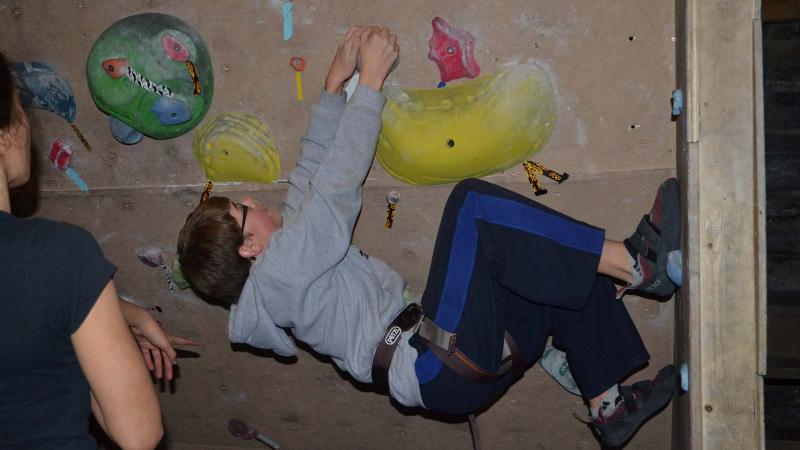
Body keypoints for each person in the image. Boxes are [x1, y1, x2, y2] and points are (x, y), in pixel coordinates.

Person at [176, 26, 679, 448]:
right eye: (245, 210)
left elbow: (309, 181)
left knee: (548, 263)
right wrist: (369, 83)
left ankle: (607, 405)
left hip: (459, 365)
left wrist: (333, 90)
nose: (257, 205)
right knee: (472, 207)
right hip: (435, 366)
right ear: (249, 249)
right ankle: (638, 265)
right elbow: (333, 189)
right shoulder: (281, 275)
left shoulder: (284, 270)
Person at [0, 51, 193, 449]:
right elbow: (138, 434)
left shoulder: (52, 263)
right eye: (22, 109)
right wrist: (96, 333)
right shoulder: (58, 251)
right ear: (4, 132)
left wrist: (115, 317)